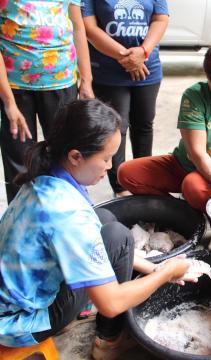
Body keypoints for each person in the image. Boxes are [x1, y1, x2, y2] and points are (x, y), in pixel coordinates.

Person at [0, 99, 194, 359]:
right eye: (105, 158)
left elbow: (88, 233)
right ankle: (108, 341)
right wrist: (166, 272)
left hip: (8, 300)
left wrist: (156, 269)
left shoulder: (45, 178)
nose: (110, 166)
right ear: (75, 156)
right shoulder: (69, 214)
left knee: (103, 217)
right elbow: (111, 303)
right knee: (119, 237)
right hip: (20, 322)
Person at [118, 40, 211, 211]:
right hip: (183, 163)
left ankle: (200, 212)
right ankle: (178, 211)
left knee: (194, 187)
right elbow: (197, 153)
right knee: (127, 173)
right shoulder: (195, 96)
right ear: (209, 79)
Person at [0, 0, 94, 203]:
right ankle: (21, 219)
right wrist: (8, 102)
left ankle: (69, 213)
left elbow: (78, 27)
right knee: (19, 158)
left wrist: (86, 80)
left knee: (66, 154)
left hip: (62, 82)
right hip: (15, 87)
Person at [81, 0, 169, 197]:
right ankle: (120, 187)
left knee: (144, 126)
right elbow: (89, 28)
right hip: (108, 72)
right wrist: (128, 57)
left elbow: (160, 18)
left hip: (148, 69)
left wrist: (143, 52)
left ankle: (143, 181)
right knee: (115, 129)